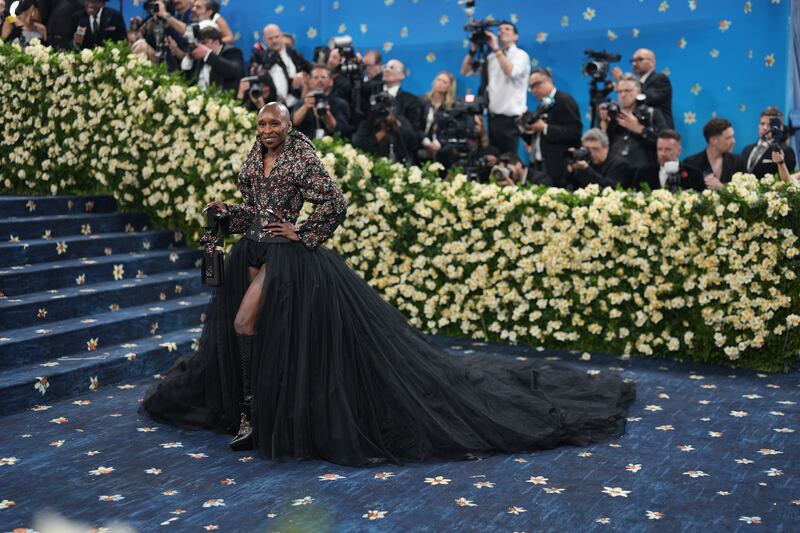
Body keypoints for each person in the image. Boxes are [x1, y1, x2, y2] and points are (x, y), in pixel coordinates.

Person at [141, 102, 635, 466]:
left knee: (246, 321)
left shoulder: (303, 157)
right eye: (262, 123)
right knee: (257, 329)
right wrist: (229, 214)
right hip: (250, 249)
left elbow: (334, 203)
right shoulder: (254, 158)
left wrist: (301, 231)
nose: (267, 129)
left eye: (275, 123)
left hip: (289, 258)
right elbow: (254, 207)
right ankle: (256, 409)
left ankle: (252, 414)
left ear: (289, 127)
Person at [460, 21, 530, 155]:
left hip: (512, 119)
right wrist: (473, 50)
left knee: (509, 160)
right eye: (500, 29)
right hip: (493, 118)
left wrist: (496, 48)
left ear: (516, 36)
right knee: (494, 158)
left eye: (507, 29)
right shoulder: (491, 57)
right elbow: (465, 70)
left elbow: (510, 71)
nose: (502, 31)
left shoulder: (521, 55)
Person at [599, 73, 667, 185]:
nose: (623, 95)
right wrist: (604, 125)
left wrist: (640, 129)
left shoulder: (652, 113)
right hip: (615, 173)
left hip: (644, 173)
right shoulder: (612, 115)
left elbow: (665, 142)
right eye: (619, 92)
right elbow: (601, 147)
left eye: (627, 91)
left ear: (638, 92)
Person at [522, 67, 582, 188]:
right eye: (531, 87)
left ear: (549, 81)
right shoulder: (541, 106)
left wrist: (545, 128)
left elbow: (575, 132)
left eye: (537, 84)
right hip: (539, 162)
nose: (534, 90)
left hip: (558, 165)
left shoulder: (564, 100)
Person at [355, 59, 424, 162]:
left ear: (402, 75)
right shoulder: (369, 94)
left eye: (391, 67)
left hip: (400, 156)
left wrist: (396, 120)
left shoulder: (411, 101)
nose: (386, 70)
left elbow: (414, 138)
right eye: (385, 67)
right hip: (370, 154)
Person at [248, 23, 310, 107]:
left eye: (276, 37)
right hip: (269, 107)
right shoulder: (259, 58)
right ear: (264, 40)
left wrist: (303, 75)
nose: (274, 41)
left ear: (281, 36)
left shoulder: (295, 55)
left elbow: (312, 70)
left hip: (294, 106)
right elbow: (253, 76)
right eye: (270, 38)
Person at [612, 49, 673, 128]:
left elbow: (647, 99)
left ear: (652, 62)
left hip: (659, 131)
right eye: (632, 61)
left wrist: (625, 82)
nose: (634, 64)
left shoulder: (660, 79)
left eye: (639, 60)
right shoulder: (639, 81)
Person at [632, 129, 704, 192]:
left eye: (668, 149)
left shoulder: (694, 174)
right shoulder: (643, 174)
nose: (663, 154)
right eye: (659, 149)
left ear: (679, 151)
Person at [291, 64, 351, 139]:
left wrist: (327, 115)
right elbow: (294, 123)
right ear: (310, 82)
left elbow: (342, 130)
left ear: (331, 81)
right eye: (315, 77)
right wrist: (305, 107)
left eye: (323, 77)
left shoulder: (340, 104)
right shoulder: (303, 102)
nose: (319, 80)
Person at [683, 118, 745, 190]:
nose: (733, 141)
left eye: (733, 136)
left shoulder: (738, 162)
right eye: (728, 138)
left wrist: (722, 188)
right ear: (713, 140)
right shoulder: (690, 164)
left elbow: (744, 194)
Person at [175, 26, 243, 91]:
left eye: (204, 43)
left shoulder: (232, 51)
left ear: (216, 42)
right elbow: (185, 78)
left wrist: (207, 55)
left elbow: (233, 71)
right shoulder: (199, 56)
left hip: (220, 97)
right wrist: (189, 58)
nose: (201, 46)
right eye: (200, 43)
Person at [740, 107, 797, 178]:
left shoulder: (785, 150)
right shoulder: (746, 150)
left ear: (780, 127)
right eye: (762, 123)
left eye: (770, 125)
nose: (765, 128)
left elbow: (788, 183)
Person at [418, 71, 456, 162]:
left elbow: (451, 129)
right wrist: (426, 142)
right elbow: (416, 125)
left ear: (449, 87)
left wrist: (438, 144)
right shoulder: (422, 101)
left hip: (442, 147)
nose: (440, 83)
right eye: (438, 80)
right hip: (421, 142)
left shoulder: (452, 107)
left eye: (444, 82)